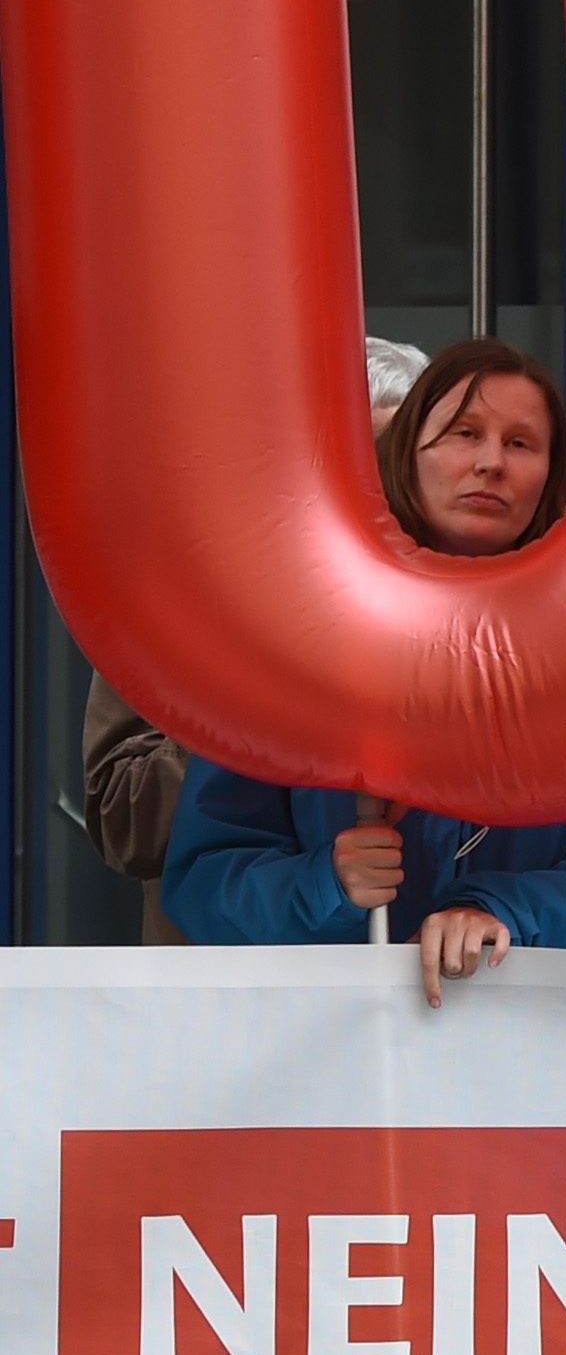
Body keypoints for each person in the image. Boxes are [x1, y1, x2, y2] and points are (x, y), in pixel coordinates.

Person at [163, 339, 566, 1005]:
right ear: (407, 455)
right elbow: (205, 874)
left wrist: (502, 912)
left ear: (550, 474)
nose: (489, 463)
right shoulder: (291, 637)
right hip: (325, 1049)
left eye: (521, 443)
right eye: (463, 433)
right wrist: (322, 884)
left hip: (534, 1045)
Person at [87, 337, 435, 944]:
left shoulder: (461, 601)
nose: (375, 494)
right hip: (234, 993)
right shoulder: (180, 599)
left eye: (391, 461)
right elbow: (123, 821)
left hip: (427, 985)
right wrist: (260, 723)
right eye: (348, 463)